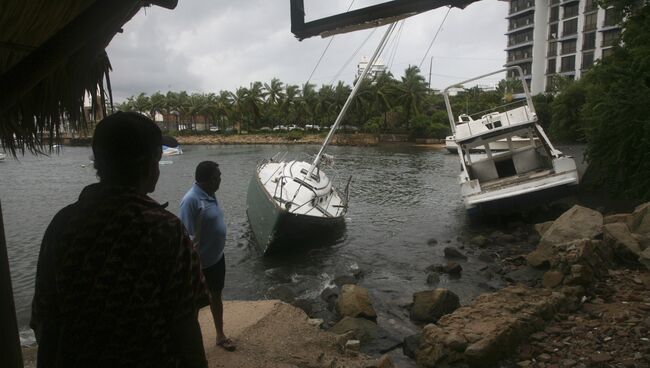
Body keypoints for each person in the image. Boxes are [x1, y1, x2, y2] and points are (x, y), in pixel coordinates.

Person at [30, 112, 208, 368]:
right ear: (147, 164)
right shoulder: (163, 229)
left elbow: (46, 321)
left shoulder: (62, 224)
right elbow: (185, 326)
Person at [180, 161, 235, 351]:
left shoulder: (210, 194)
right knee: (193, 303)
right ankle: (190, 343)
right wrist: (192, 264)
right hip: (199, 264)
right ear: (210, 180)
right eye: (218, 176)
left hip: (217, 259)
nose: (220, 179)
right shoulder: (191, 200)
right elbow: (186, 236)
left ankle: (220, 336)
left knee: (216, 296)